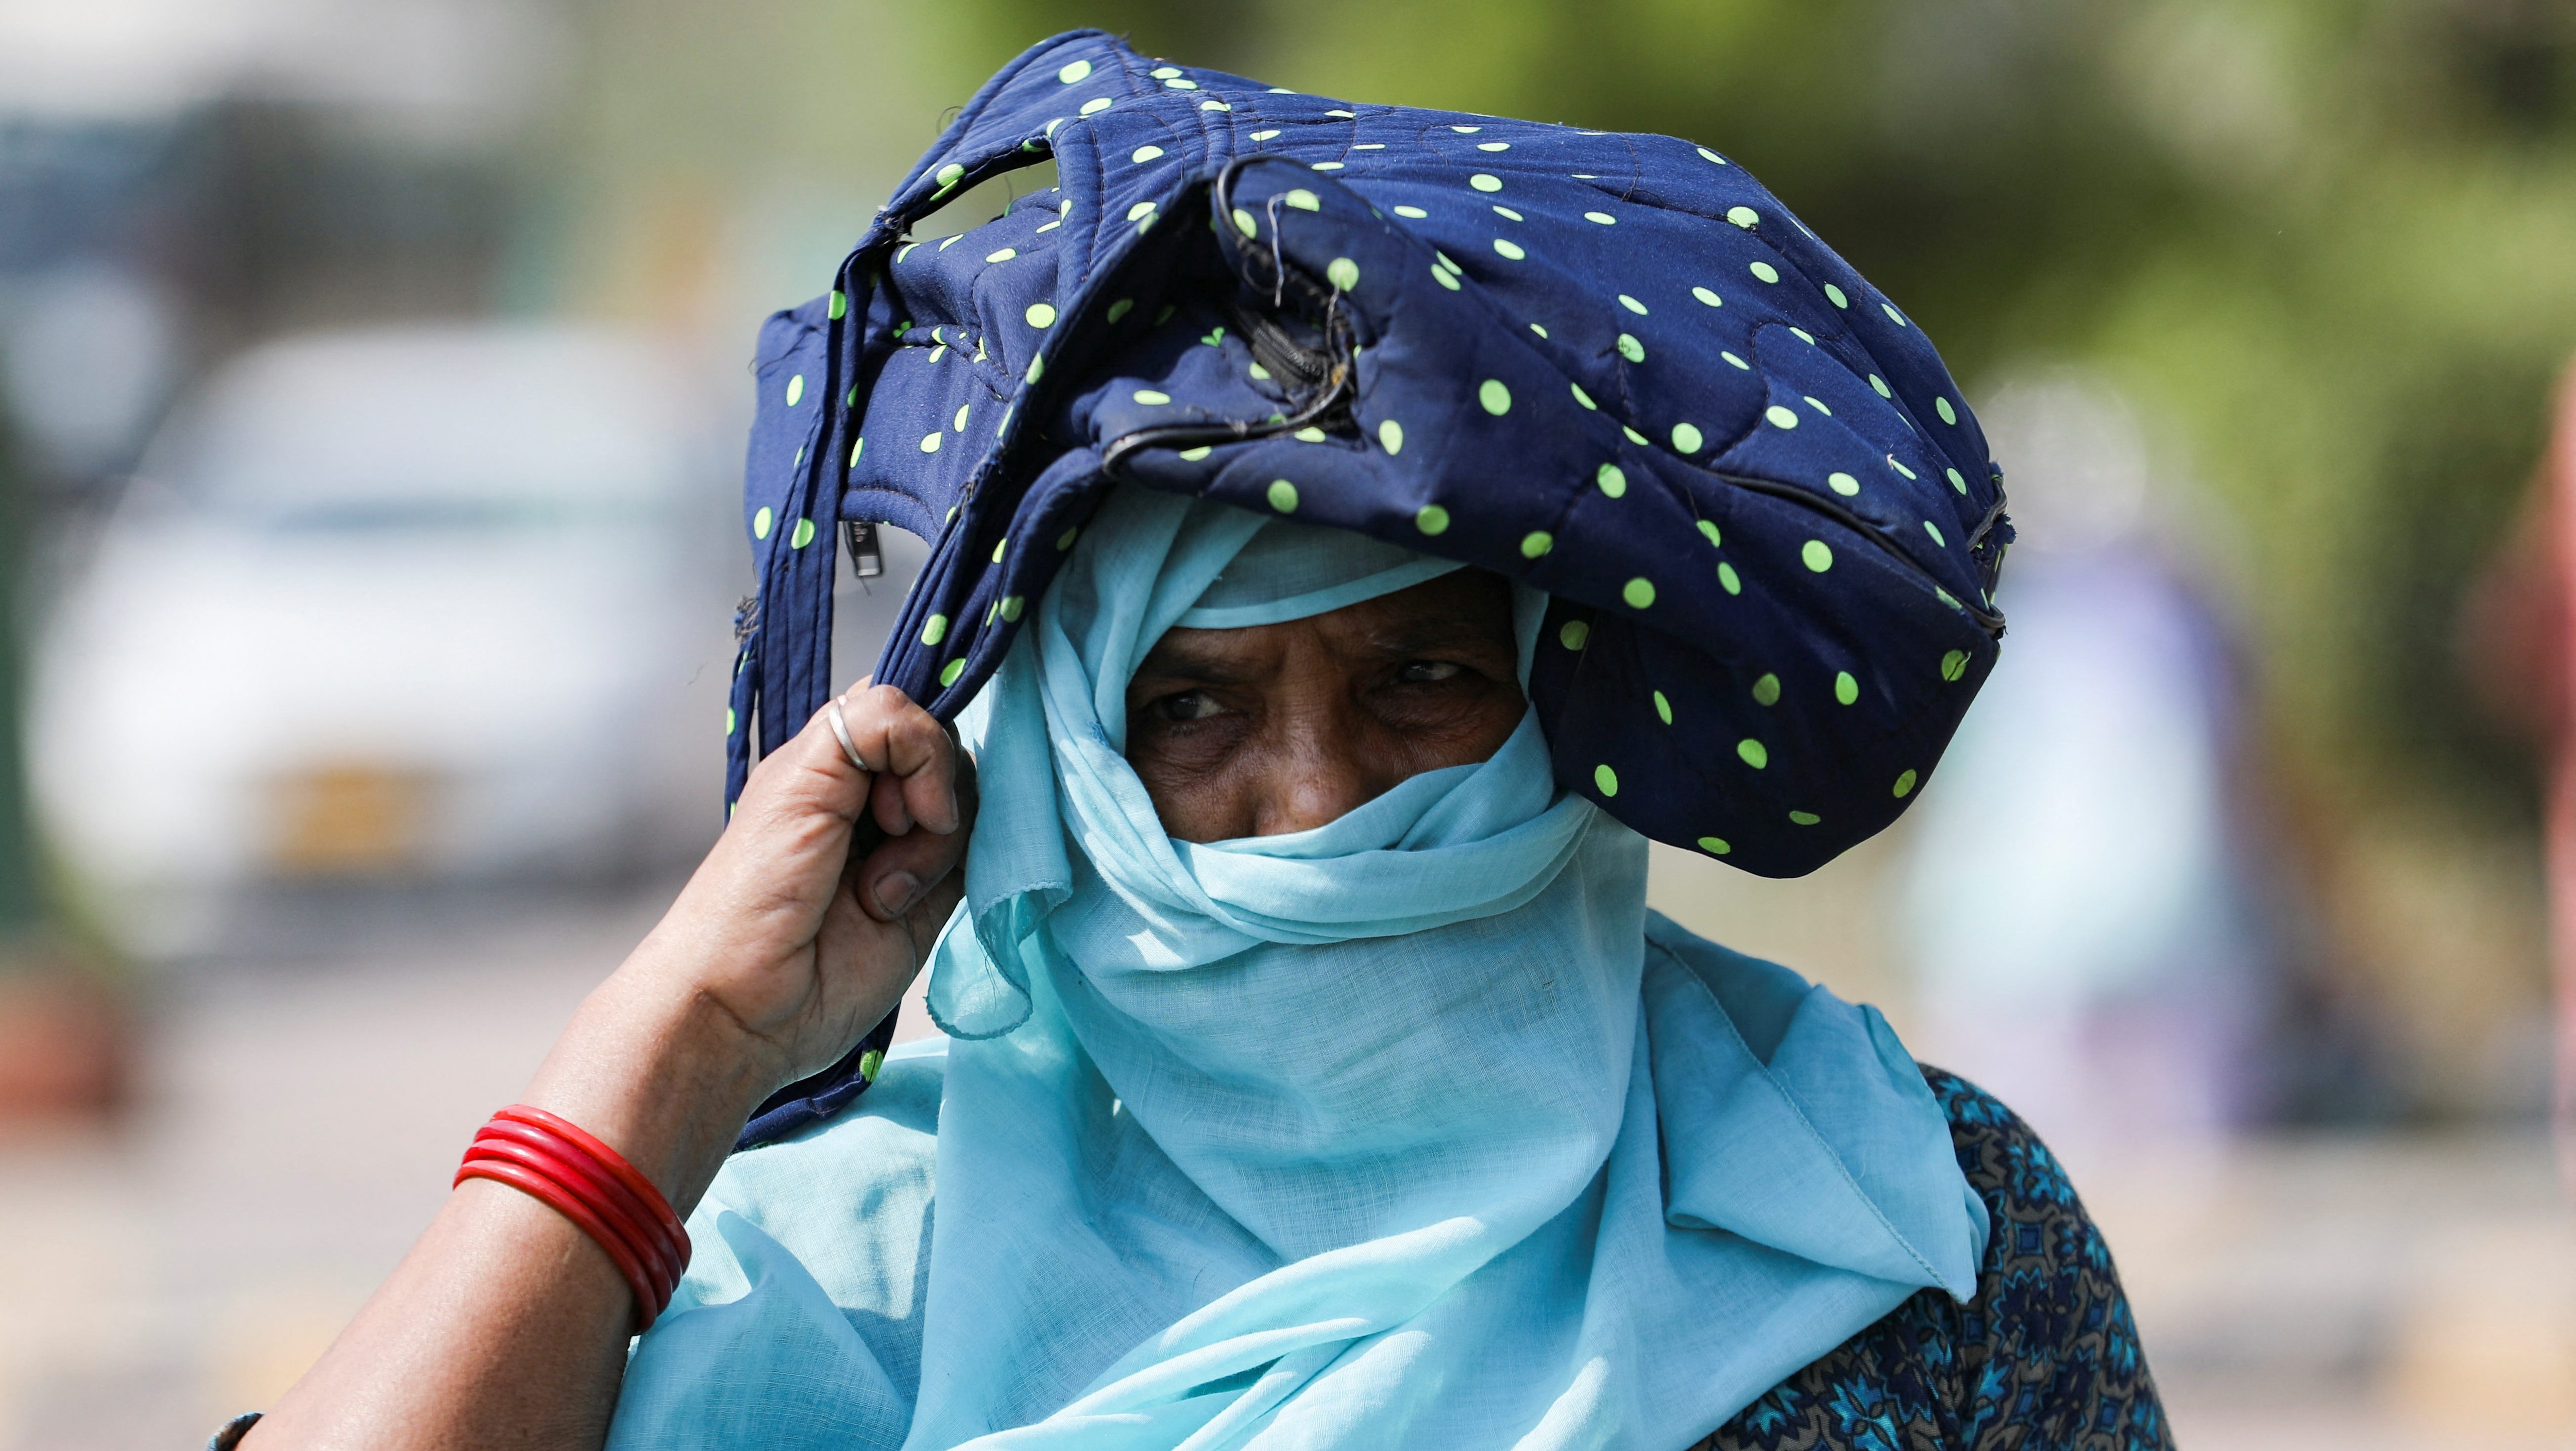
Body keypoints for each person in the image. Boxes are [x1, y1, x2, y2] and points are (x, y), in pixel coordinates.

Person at [224, 31, 2170, 1451]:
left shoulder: (1893, 1229)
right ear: (1065, 762)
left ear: (1551, 707)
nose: (1315, 805)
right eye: (1191, 710)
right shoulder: (827, 1286)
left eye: (1421, 683)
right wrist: (674, 1046)